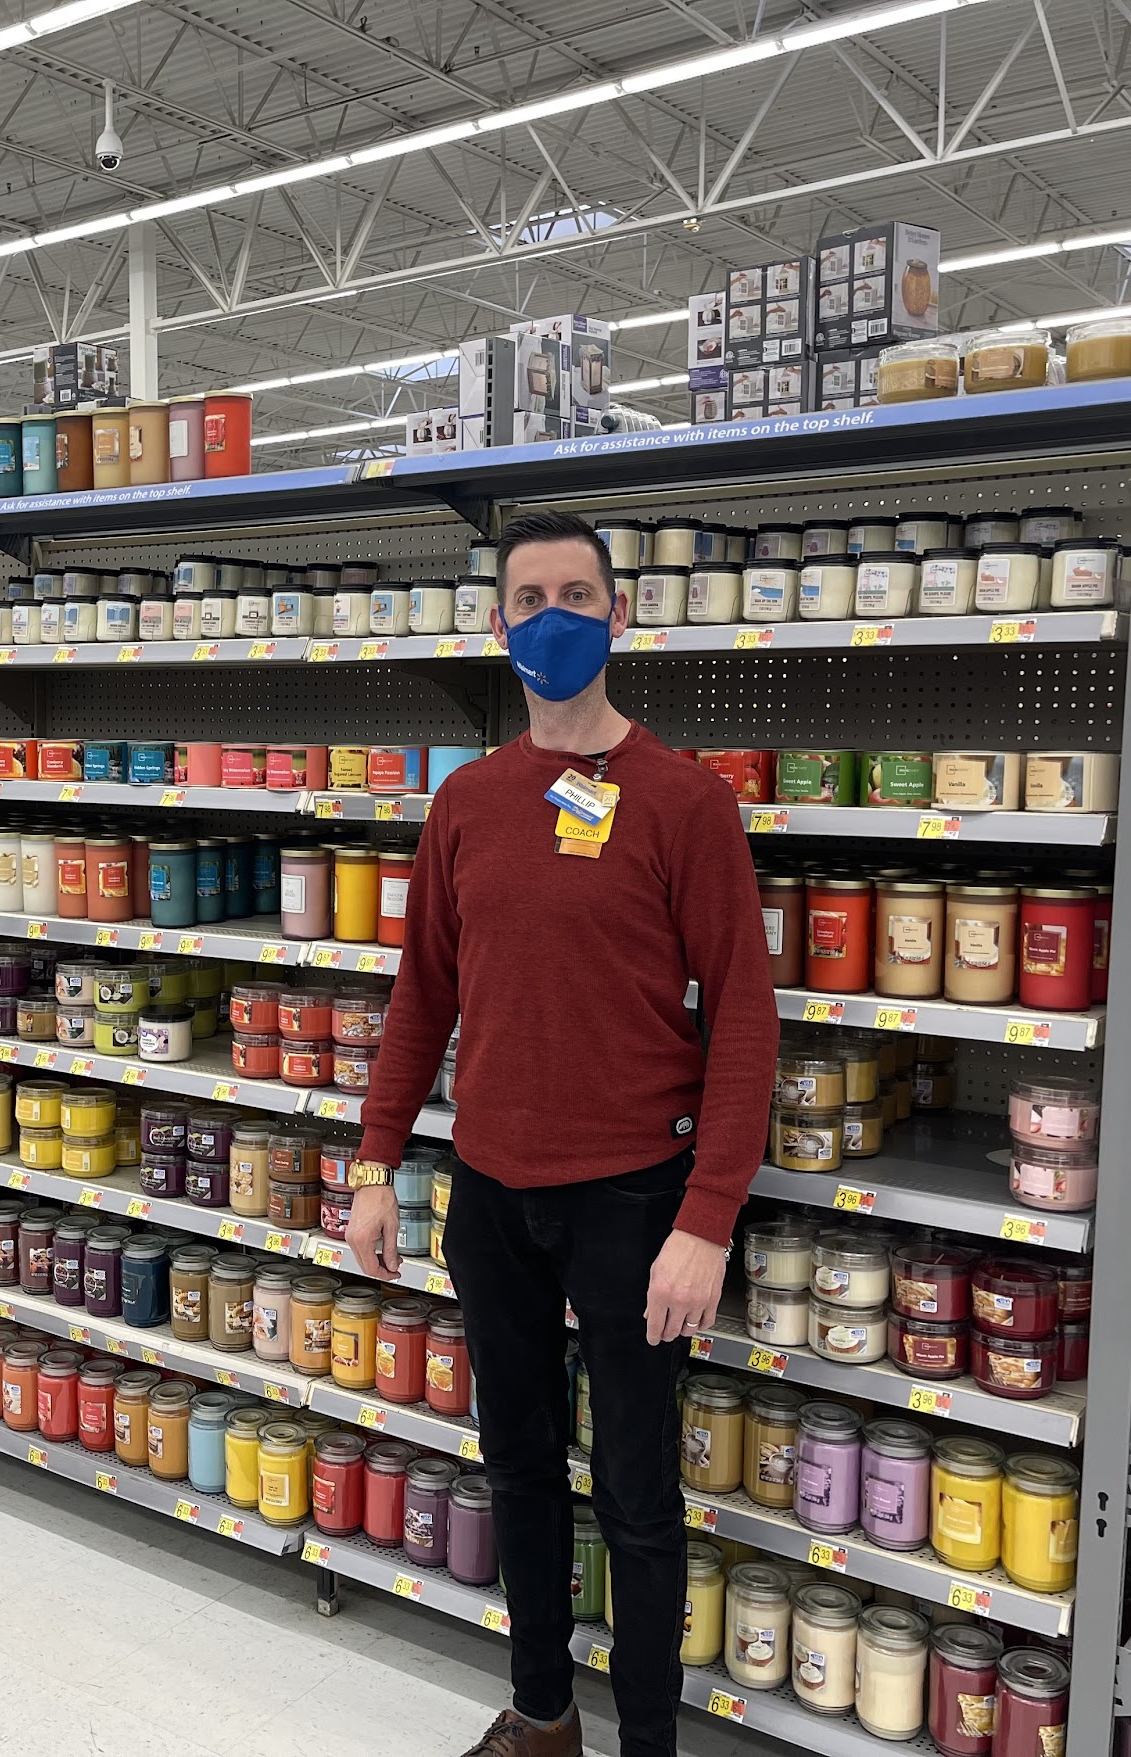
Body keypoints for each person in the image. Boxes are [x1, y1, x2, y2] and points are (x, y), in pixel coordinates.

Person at [345, 509, 778, 1757]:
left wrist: (705, 1219)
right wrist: (374, 1163)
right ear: (496, 623)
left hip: (634, 1200)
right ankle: (542, 1716)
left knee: (636, 1494)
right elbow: (421, 997)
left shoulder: (683, 801)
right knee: (519, 1464)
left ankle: (646, 1743)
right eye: (527, 597)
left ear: (617, 614)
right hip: (488, 1190)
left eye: (574, 596)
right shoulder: (466, 801)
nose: (550, 618)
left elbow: (742, 1021)